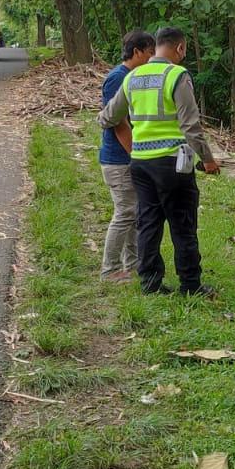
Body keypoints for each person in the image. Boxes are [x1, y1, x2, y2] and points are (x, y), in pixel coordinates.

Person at [98, 26, 220, 296]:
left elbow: (106, 117)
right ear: (179, 48)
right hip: (173, 163)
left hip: (140, 163)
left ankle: (150, 284)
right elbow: (191, 126)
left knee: (148, 223)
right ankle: (190, 285)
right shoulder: (177, 75)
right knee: (183, 224)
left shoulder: (132, 77)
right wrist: (208, 160)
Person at [97, 30, 155, 283]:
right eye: (150, 53)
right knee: (124, 213)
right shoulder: (117, 78)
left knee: (134, 213)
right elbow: (117, 122)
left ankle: (131, 265)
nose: (152, 59)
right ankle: (109, 270)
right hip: (118, 159)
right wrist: (136, 155)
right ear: (137, 52)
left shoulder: (133, 77)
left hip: (128, 158)